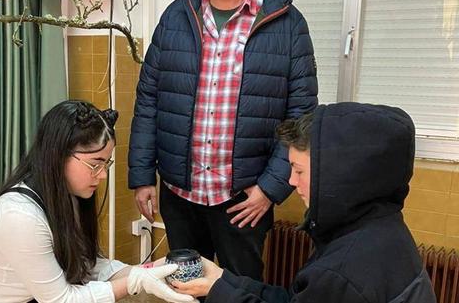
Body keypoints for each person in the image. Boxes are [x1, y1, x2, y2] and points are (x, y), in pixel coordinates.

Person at [128, 0, 318, 281]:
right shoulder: (175, 18)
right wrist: (141, 175)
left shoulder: (288, 23)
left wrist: (270, 188)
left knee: (239, 291)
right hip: (179, 193)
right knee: (184, 286)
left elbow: (301, 116)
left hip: (244, 200)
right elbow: (148, 98)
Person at [171, 102, 437, 303]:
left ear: (339, 175)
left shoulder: (341, 271)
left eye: (299, 171)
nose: (292, 182)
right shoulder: (381, 227)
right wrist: (221, 280)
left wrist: (218, 291)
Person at [0, 100, 196, 303]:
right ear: (59, 154)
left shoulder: (65, 196)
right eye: (95, 164)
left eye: (106, 163)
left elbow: (88, 264)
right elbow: (62, 300)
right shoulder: (19, 217)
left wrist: (149, 271)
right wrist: (134, 283)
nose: (102, 175)